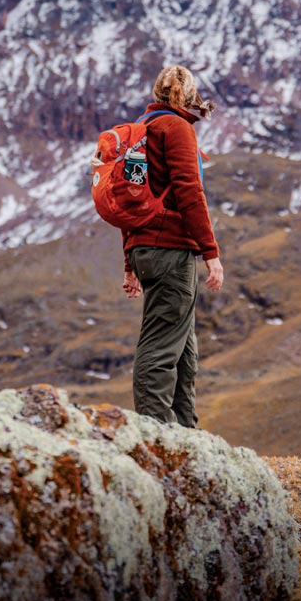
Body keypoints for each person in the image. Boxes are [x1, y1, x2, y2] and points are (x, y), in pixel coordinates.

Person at [122, 65, 224, 427]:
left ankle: (186, 435)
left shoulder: (139, 132)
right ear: (188, 93)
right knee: (162, 347)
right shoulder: (176, 128)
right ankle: (156, 436)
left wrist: (130, 262)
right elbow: (189, 191)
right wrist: (210, 253)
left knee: (184, 351)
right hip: (170, 250)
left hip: (146, 249)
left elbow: (132, 201)